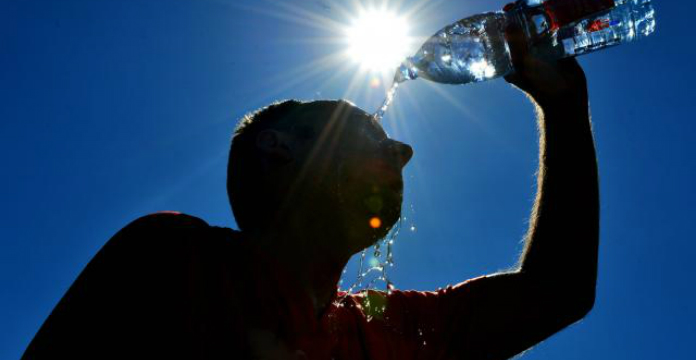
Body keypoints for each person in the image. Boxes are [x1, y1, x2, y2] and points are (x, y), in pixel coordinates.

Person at [21, 22, 599, 360]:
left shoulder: (387, 328)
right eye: (368, 131)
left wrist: (565, 106)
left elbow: (557, 291)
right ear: (280, 149)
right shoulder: (174, 260)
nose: (403, 152)